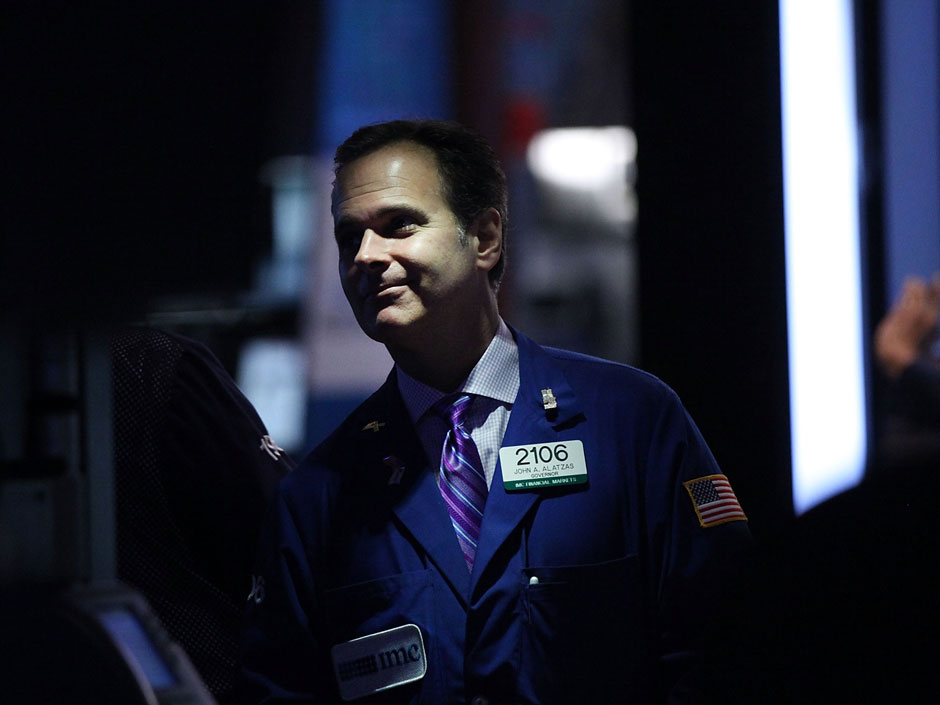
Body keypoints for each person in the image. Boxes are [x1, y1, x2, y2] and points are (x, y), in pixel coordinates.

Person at [240, 119, 751, 704]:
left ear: (485, 239)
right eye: (348, 237)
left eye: (399, 225)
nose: (366, 256)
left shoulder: (632, 423)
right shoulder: (318, 497)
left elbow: (728, 647)